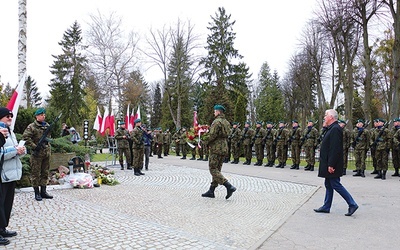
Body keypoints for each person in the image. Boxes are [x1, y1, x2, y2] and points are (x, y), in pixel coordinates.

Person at [314, 109, 358, 216]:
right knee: (328, 184)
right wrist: (324, 127)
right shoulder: (331, 128)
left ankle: (352, 204)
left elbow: (335, 148)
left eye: (326, 115)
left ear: (331, 117)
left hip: (332, 163)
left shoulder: (335, 129)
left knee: (335, 184)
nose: (324, 117)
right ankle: (326, 206)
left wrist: (331, 165)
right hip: (328, 162)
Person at [0, 108, 25, 245]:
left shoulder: (11, 131)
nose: (10, 118)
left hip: (12, 174)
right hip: (2, 174)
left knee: (6, 204)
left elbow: (14, 148)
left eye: (11, 115)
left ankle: (2, 228)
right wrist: (15, 151)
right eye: (7, 116)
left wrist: (21, 150)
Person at [201, 105, 236, 199]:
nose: (214, 113)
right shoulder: (226, 122)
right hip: (224, 147)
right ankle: (211, 190)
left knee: (213, 169)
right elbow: (229, 134)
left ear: (218, 112)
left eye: (215, 111)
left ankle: (229, 186)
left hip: (216, 147)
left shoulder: (216, 122)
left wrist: (204, 140)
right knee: (217, 170)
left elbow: (212, 135)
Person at [22, 108, 54, 201]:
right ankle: (37, 192)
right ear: (37, 116)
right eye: (41, 115)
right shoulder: (31, 126)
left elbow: (49, 138)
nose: (43, 116)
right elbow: (25, 137)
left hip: (46, 152)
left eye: (44, 114)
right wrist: (34, 146)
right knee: (35, 173)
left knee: (45, 172)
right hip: (37, 154)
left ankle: (43, 191)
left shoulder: (47, 125)